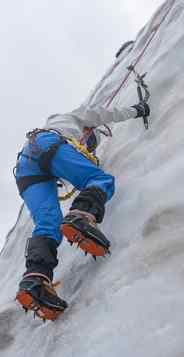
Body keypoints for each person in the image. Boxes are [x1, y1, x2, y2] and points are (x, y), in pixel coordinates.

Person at [14, 101, 150, 321]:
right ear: (87, 133)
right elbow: (106, 114)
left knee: (48, 223)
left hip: (25, 167)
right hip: (48, 144)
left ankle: (35, 279)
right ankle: (81, 215)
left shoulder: (47, 132)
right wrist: (137, 110)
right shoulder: (75, 118)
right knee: (99, 179)